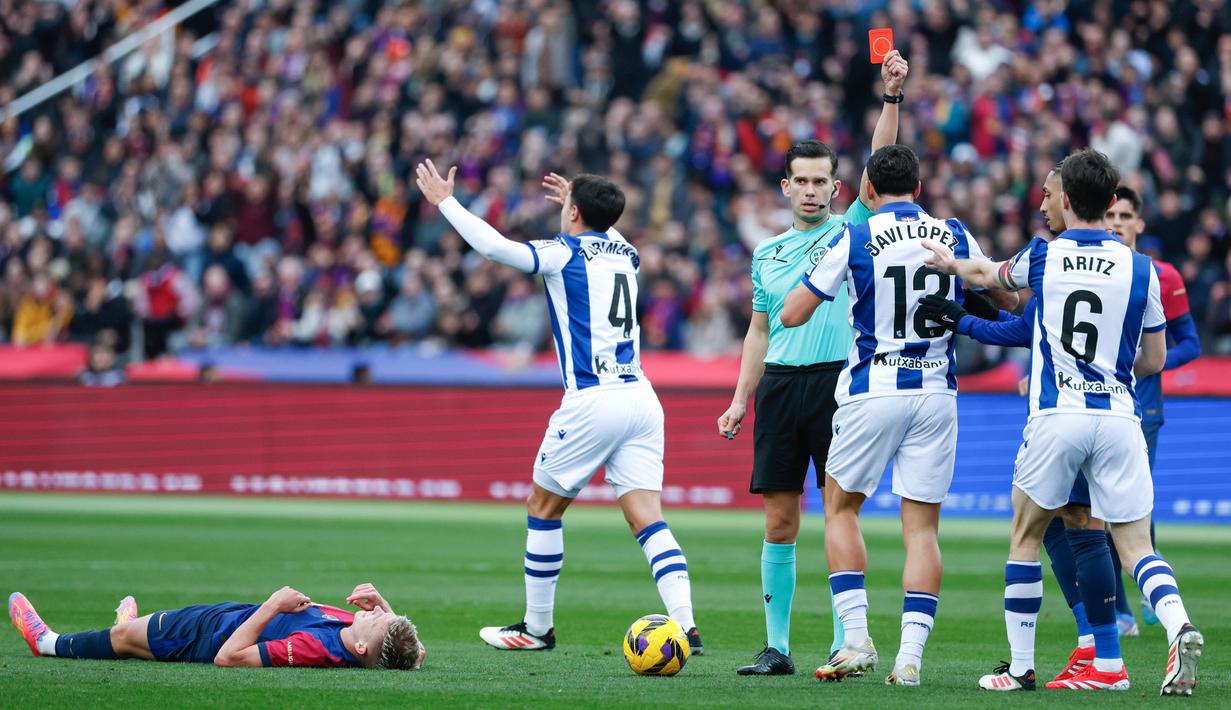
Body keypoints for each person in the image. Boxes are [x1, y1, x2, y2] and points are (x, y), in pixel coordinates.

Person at [923, 148, 1203, 696]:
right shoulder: (1143, 269)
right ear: (1110, 202)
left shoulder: (1045, 256)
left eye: (1051, 195)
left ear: (1069, 200)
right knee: (1135, 546)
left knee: (1026, 534)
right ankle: (1176, 627)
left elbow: (989, 274)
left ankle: (1022, 667)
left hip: (1058, 413)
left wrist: (949, 264)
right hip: (1120, 415)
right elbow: (1155, 360)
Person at [415, 161, 701, 654]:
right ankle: (686, 626)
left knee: (543, 509)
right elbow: (602, 226)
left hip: (594, 399)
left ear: (572, 213)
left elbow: (492, 247)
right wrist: (582, 200)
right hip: (641, 399)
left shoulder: (561, 253)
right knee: (648, 519)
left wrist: (445, 202)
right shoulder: (628, 254)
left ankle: (536, 629)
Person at [779, 144, 1013, 686]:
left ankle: (857, 640)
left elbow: (792, 314)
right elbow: (1006, 300)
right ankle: (910, 658)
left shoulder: (853, 234)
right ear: (920, 189)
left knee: (839, 508)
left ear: (867, 191)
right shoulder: (952, 232)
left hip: (873, 387)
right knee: (922, 529)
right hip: (935, 390)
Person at [716, 49, 909, 678]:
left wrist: (891, 98)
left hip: (837, 385)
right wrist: (741, 398)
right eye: (799, 180)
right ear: (785, 186)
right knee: (778, 519)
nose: (809, 189)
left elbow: (882, 160)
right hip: (778, 387)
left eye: (820, 181)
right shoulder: (767, 252)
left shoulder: (851, 228)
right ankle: (776, 647)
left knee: (835, 513)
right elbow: (758, 329)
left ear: (838, 188)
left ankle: (842, 642)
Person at [9, 583, 423, 670]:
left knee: (122, 640)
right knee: (136, 639)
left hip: (208, 636)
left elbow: (230, 657)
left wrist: (272, 605)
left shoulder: (317, 649)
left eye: (378, 619)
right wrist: (386, 608)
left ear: (363, 650)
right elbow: (415, 653)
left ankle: (48, 642)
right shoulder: (356, 635)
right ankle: (132, 631)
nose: (374, 613)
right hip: (227, 616)